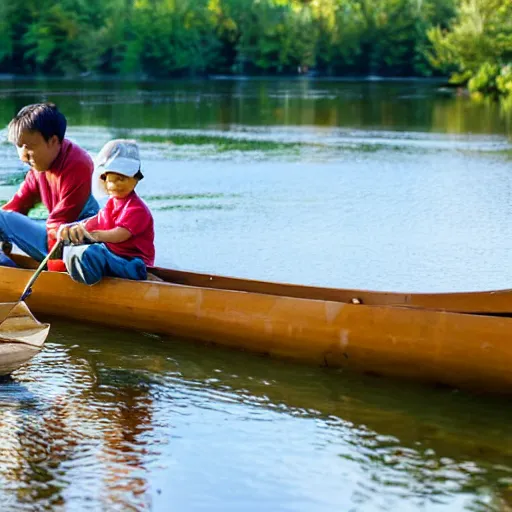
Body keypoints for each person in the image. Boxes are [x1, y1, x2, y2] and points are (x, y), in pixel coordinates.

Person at [0, 103, 99, 269]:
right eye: (19, 146)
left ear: (53, 141)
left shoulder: (77, 164)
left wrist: (54, 274)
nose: (23, 156)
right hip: (57, 235)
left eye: (29, 147)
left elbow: (61, 223)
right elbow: (19, 204)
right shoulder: (39, 166)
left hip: (76, 245)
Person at [59, 139, 155, 285]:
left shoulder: (136, 209)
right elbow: (96, 221)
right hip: (113, 256)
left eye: (121, 179)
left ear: (135, 179)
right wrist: (74, 228)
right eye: (111, 180)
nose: (115, 185)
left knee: (95, 252)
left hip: (132, 263)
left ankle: (90, 277)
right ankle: (79, 276)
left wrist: (92, 236)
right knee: (74, 248)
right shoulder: (112, 203)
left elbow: (119, 234)